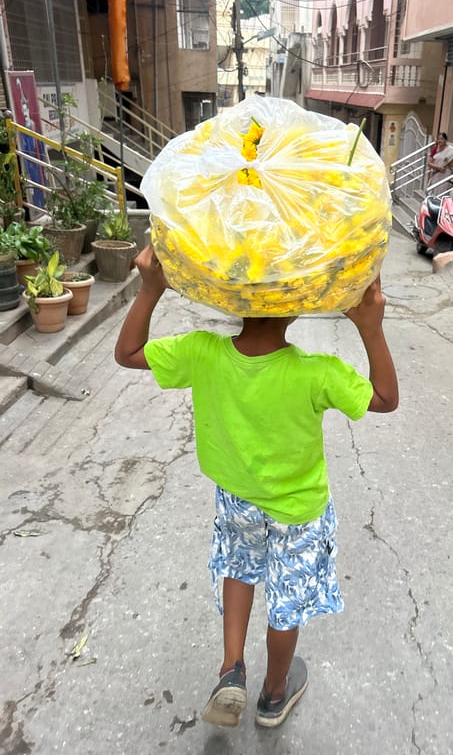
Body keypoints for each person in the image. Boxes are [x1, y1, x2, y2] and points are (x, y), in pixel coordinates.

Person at [114, 245, 398, 729]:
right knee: (286, 600)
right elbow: (386, 398)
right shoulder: (317, 373)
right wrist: (370, 328)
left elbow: (128, 353)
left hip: (236, 498)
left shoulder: (202, 353)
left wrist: (150, 288)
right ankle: (272, 694)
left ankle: (231, 670)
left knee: (239, 569)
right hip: (299, 511)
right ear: (297, 305)